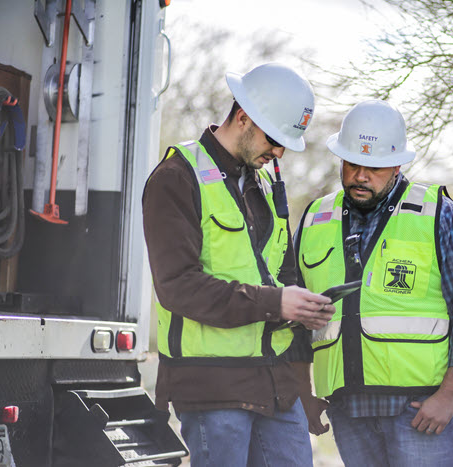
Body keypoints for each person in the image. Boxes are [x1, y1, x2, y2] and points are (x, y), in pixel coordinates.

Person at [142, 62, 335, 467]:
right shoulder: (176, 178)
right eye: (274, 139)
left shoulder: (262, 185)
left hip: (277, 384)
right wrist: (275, 303)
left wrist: (301, 307)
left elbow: (279, 275)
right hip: (213, 387)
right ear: (243, 117)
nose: (279, 152)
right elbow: (177, 286)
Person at [294, 99, 453, 467]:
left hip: (419, 411)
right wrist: (303, 393)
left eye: (373, 167)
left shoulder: (438, 214)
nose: (360, 175)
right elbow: (293, 316)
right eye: (352, 163)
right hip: (346, 409)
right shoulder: (315, 218)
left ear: (398, 164)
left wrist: (448, 397)